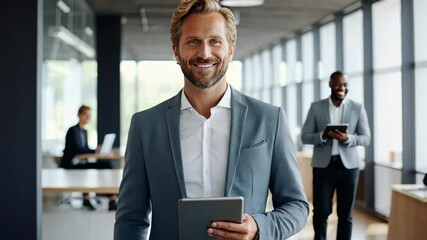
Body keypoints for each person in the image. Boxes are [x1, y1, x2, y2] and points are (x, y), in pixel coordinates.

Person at [114, 0, 309, 239]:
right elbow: (130, 219)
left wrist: (259, 226)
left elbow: (297, 207)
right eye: (193, 41)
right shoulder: (145, 126)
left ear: (230, 49)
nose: (204, 53)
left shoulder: (269, 119)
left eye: (215, 41)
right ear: (176, 50)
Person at [301, 71, 371, 240]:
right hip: (323, 167)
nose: (342, 88)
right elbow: (304, 136)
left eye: (345, 85)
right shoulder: (316, 107)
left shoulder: (357, 107)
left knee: (345, 214)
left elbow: (366, 138)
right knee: (321, 211)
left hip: (349, 167)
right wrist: (323, 135)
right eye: (338, 84)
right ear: (331, 84)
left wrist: (349, 138)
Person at [62, 105, 117, 211]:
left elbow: (85, 148)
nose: (88, 118)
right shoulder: (73, 130)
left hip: (81, 162)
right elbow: (79, 149)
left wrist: (97, 150)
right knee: (105, 165)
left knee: (105, 164)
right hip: (72, 164)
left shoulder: (84, 131)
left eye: (89, 116)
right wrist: (95, 151)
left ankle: (94, 198)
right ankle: (111, 199)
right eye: (85, 115)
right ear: (79, 115)